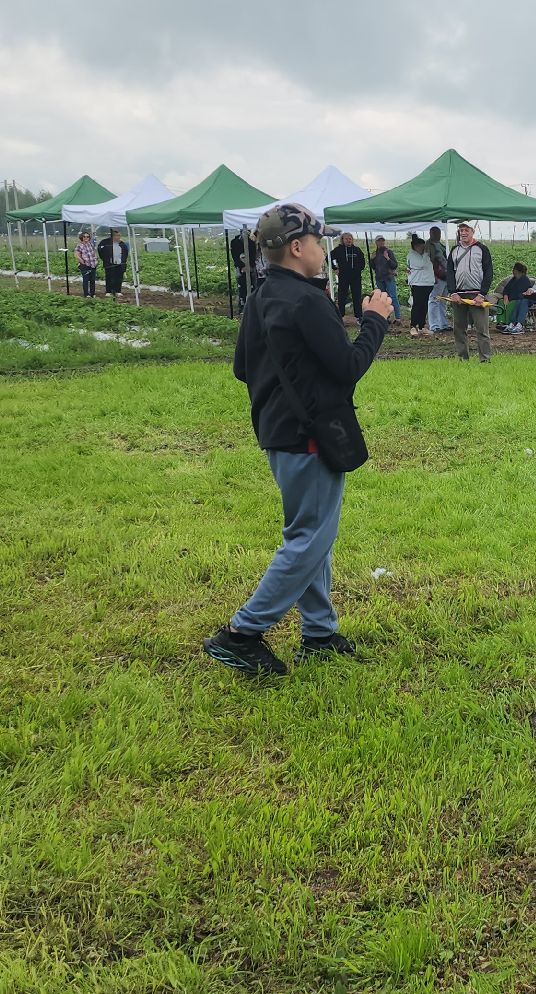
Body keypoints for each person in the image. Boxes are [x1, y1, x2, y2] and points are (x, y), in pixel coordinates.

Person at [202, 203, 393, 677]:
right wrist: (374, 320)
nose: (322, 250)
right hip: (311, 436)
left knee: (311, 534)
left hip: (277, 433)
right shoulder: (308, 301)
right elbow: (348, 367)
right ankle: (241, 633)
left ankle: (319, 633)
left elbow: (242, 368)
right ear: (295, 247)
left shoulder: (261, 296)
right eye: (316, 242)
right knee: (309, 539)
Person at [445, 222, 495, 361]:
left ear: (472, 231)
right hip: (459, 295)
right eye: (461, 230)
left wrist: (482, 294)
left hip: (477, 295)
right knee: (459, 329)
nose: (463, 233)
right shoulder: (454, 250)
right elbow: (450, 272)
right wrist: (453, 292)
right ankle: (463, 358)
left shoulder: (482, 249)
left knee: (482, 329)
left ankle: (485, 359)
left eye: (466, 230)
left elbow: (488, 272)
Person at [330, 232, 366, 318]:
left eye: (350, 238)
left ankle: (358, 315)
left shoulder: (357, 250)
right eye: (346, 239)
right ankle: (341, 315)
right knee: (342, 296)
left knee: (357, 295)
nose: (348, 240)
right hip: (343, 276)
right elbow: (331, 258)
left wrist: (359, 269)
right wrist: (335, 268)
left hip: (356, 277)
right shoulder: (338, 250)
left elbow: (362, 260)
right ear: (342, 240)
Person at [405, 234, 435, 337]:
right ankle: (413, 326)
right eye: (419, 246)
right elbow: (421, 264)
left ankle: (422, 326)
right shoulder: (412, 255)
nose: (422, 247)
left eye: (423, 245)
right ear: (414, 246)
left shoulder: (426, 254)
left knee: (424, 305)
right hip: (417, 283)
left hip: (428, 283)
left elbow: (430, 265)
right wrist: (426, 256)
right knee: (417, 304)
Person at [426, 226, 451, 333]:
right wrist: (433, 276)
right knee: (434, 300)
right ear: (431, 233)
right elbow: (429, 261)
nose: (438, 235)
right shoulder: (429, 245)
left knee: (443, 300)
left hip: (445, 275)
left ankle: (443, 324)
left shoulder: (440, 245)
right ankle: (434, 325)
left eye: (439, 233)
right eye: (435, 233)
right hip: (437, 276)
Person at [499, 261, 533, 334]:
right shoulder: (513, 279)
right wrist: (505, 295)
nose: (512, 270)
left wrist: (510, 299)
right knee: (501, 302)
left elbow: (520, 293)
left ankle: (509, 322)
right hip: (510, 298)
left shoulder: (524, 280)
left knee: (512, 303)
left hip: (518, 299)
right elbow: (506, 289)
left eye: (514, 269)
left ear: (517, 271)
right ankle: (501, 322)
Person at [370, 237, 399, 322]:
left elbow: (394, 265)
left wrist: (388, 258)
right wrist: (372, 259)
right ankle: (386, 317)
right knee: (382, 298)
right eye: (379, 241)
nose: (381, 242)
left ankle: (398, 318)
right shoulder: (375, 253)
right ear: (376, 242)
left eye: (382, 240)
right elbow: (373, 267)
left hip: (389, 278)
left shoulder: (389, 252)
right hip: (379, 278)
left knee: (393, 297)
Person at [99, 228, 129, 300]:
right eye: (116, 235)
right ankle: (109, 291)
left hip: (119, 263)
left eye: (119, 236)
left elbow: (125, 253)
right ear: (112, 236)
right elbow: (100, 251)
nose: (118, 237)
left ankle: (118, 291)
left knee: (119, 277)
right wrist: (105, 259)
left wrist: (123, 262)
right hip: (109, 263)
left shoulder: (122, 244)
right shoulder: (105, 242)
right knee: (109, 277)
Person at [76, 228, 98, 298]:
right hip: (85, 265)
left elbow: (94, 252)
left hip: (93, 264)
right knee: (85, 280)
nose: (86, 238)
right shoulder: (79, 245)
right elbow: (77, 255)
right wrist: (82, 262)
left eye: (87, 237)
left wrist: (96, 259)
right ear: (81, 237)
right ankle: (86, 294)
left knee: (92, 280)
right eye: (84, 236)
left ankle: (92, 293)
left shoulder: (90, 244)